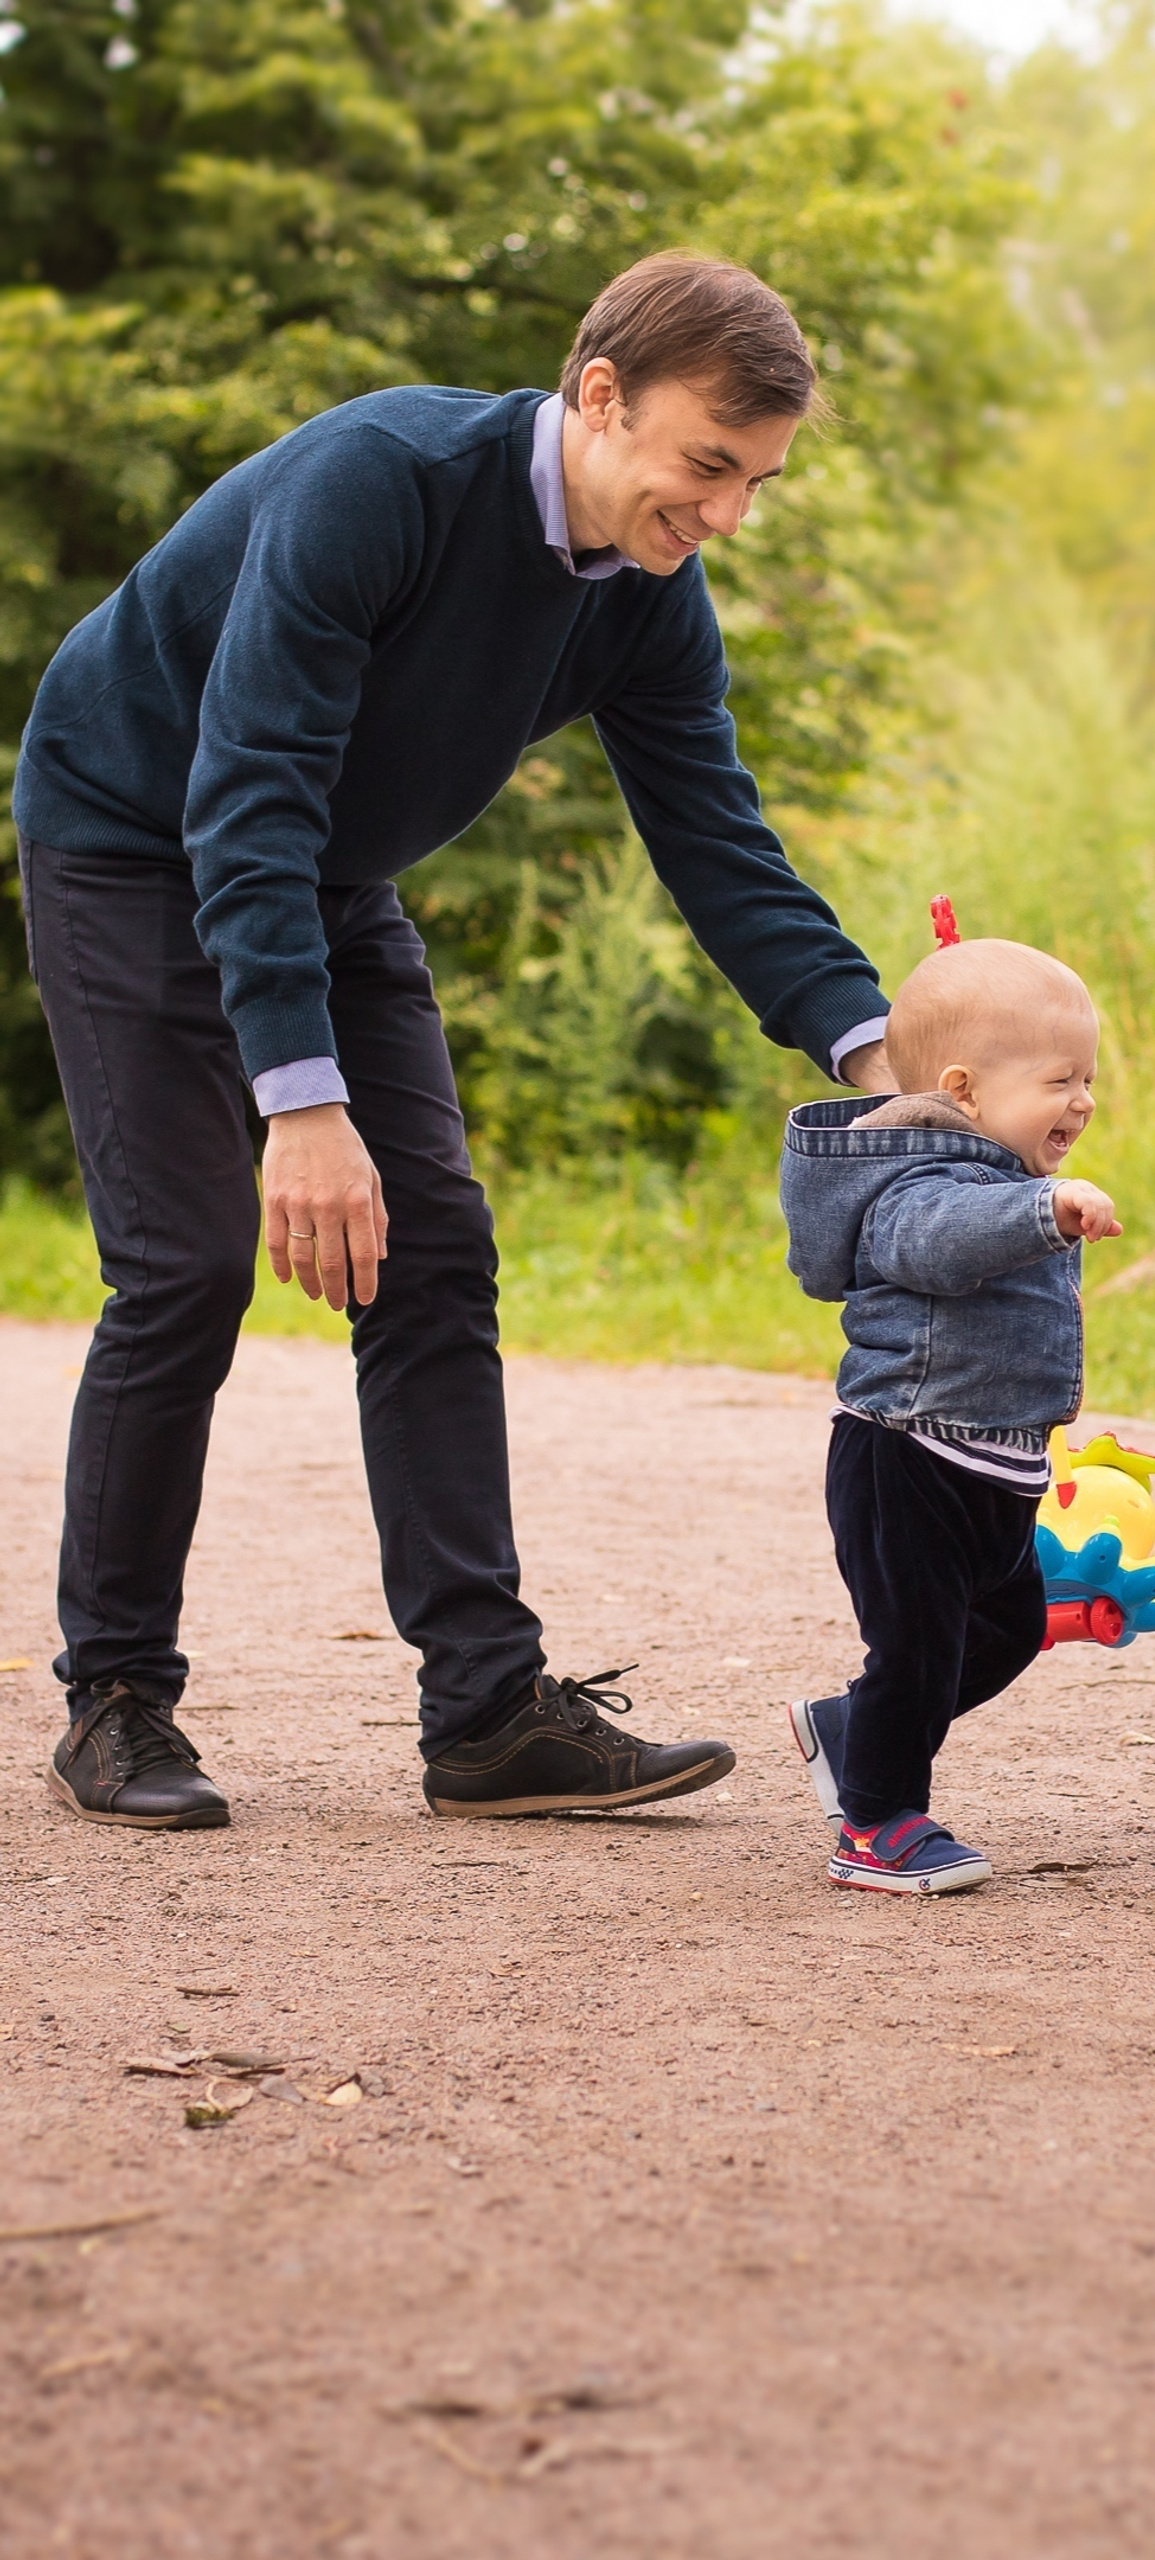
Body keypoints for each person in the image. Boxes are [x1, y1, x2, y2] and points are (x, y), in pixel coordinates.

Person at [20, 251, 898, 1829]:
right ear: (604, 395)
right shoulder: (384, 483)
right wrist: (301, 1101)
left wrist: (878, 1051)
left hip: (327, 874)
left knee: (432, 1246)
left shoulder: (646, 597)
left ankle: (485, 1717)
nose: (726, 516)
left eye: (758, 482)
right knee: (189, 1262)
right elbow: (248, 790)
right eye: (709, 467)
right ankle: (118, 1696)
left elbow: (720, 844)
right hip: (135, 837)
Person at [778, 932, 1121, 1893]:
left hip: (990, 1466)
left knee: (1005, 1633)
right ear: (965, 1091)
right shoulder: (919, 1180)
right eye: (1060, 1080)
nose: (1084, 1101)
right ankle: (877, 1824)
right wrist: (1041, 1212)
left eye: (1088, 1079)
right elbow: (934, 1243)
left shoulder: (999, 1175)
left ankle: (853, 1729)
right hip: (908, 1458)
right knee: (918, 1649)